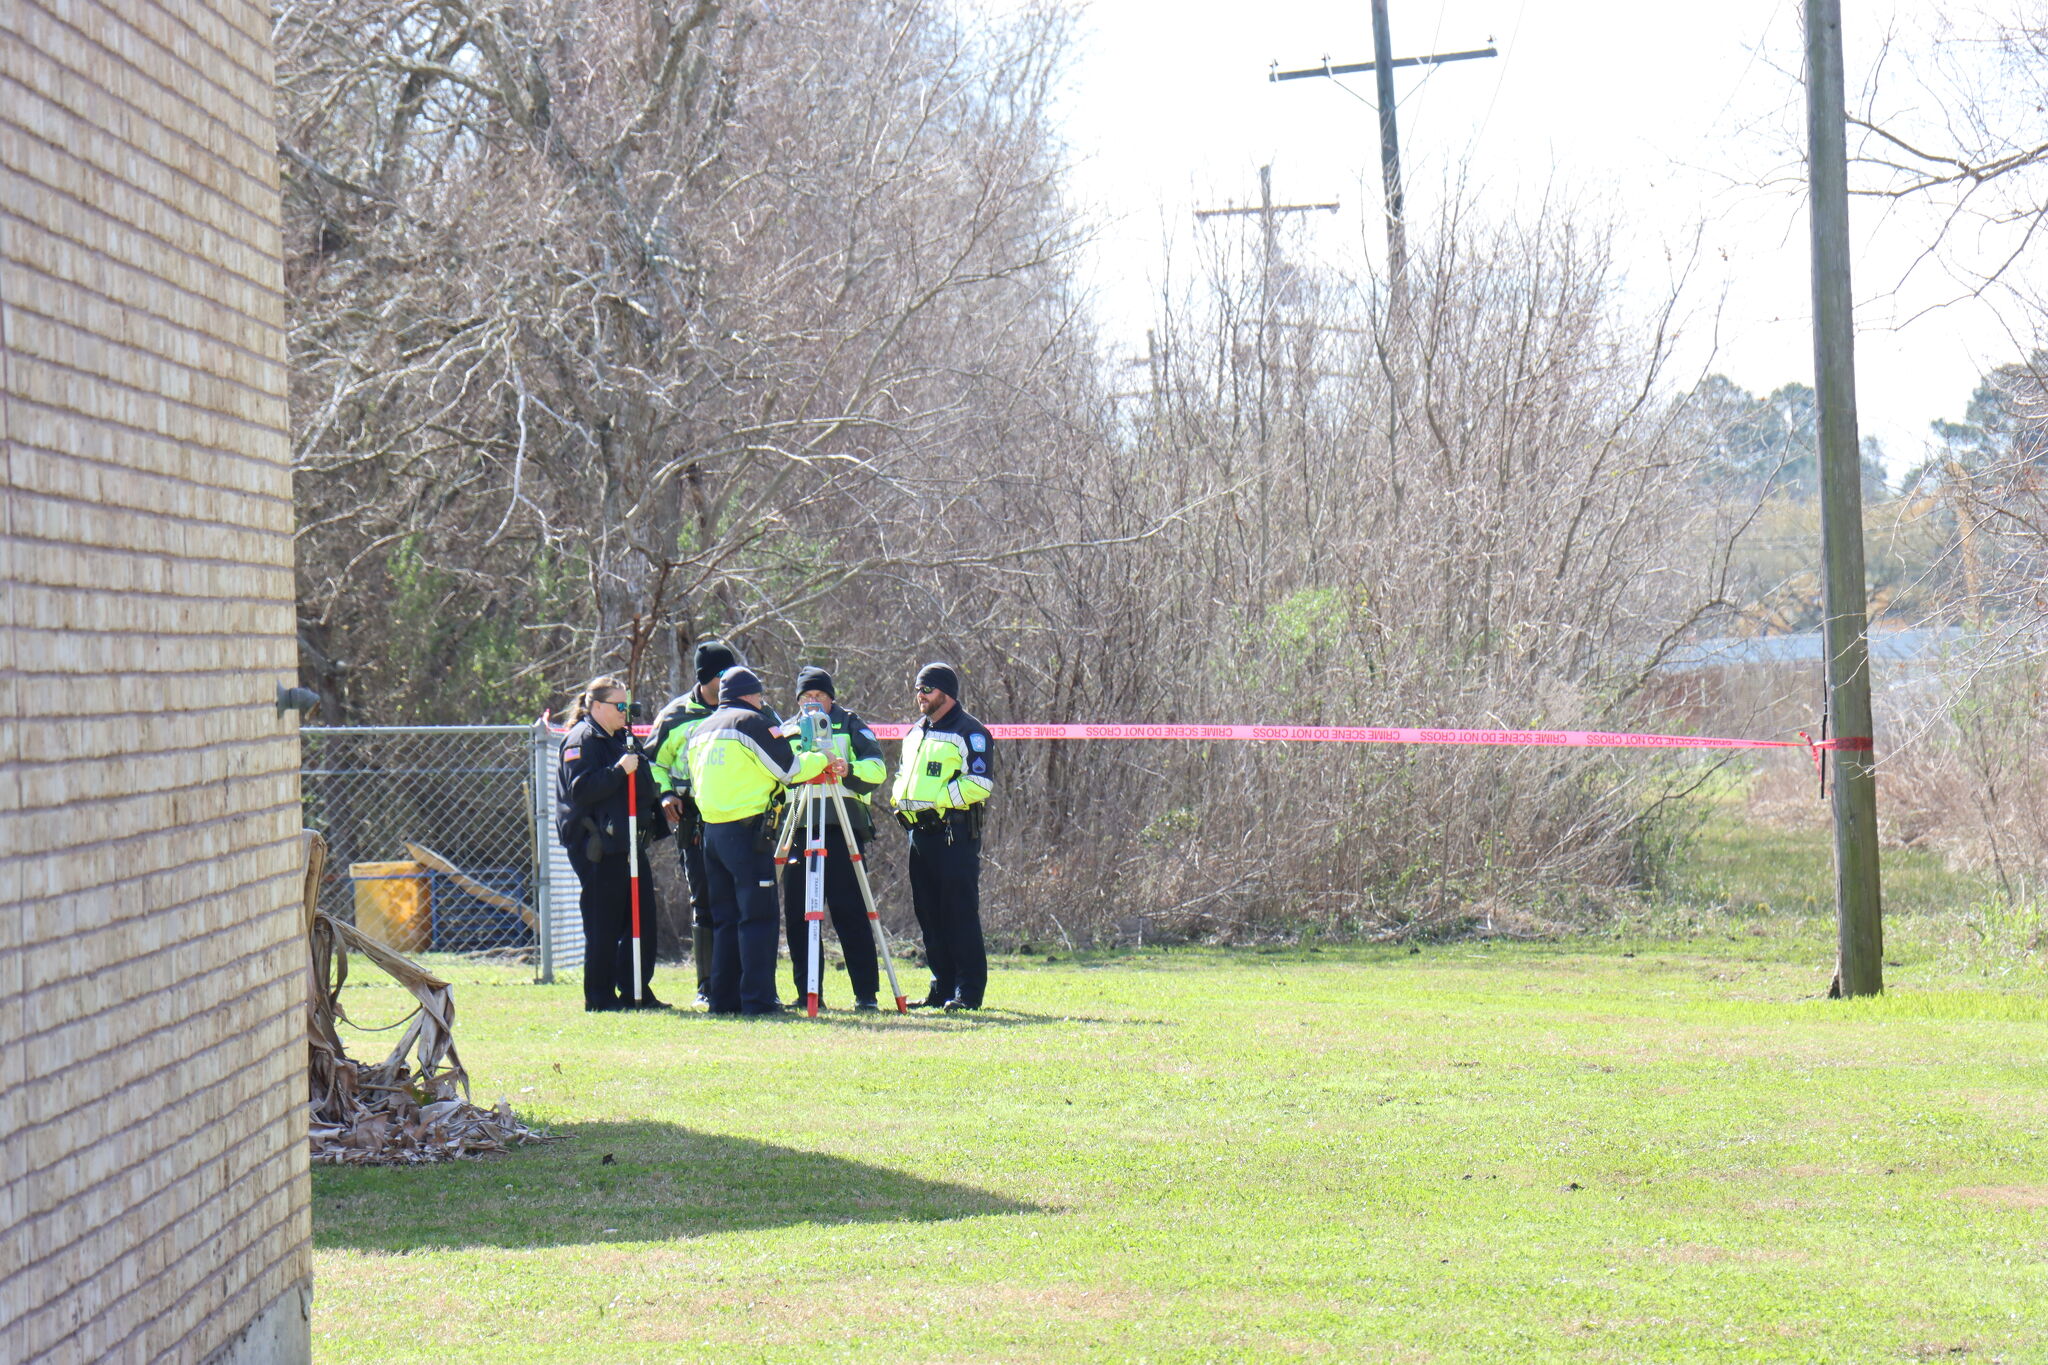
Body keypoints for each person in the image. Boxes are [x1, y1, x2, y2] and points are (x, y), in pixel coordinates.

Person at [687, 665, 844, 1015]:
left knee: (725, 920)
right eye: (759, 695)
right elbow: (788, 770)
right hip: (746, 832)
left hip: (711, 832)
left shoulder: (701, 728)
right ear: (750, 695)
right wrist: (822, 758)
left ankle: (723, 1000)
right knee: (757, 917)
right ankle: (758, 1000)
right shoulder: (752, 723)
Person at [554, 675, 670, 1012]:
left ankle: (636, 990)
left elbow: (643, 782)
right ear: (599, 706)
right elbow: (581, 790)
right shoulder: (582, 740)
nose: (626, 711)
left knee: (641, 920)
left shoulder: (623, 737)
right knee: (603, 922)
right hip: (597, 848)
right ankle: (600, 997)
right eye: (620, 706)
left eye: (627, 705)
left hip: (628, 843)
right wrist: (619, 770)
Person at [778, 666, 890, 1011]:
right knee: (799, 912)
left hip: (842, 826)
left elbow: (877, 768)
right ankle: (808, 992)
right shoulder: (787, 730)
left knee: (850, 910)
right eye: (806, 697)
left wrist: (848, 769)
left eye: (819, 697)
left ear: (831, 699)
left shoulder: (851, 724)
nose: (812, 704)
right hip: (799, 824)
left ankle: (866, 994)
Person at [889, 662, 994, 1011]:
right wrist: (900, 798)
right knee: (929, 914)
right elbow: (904, 773)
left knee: (958, 912)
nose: (919, 696)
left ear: (945, 694)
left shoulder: (970, 732)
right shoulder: (916, 731)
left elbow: (979, 783)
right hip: (918, 833)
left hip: (952, 834)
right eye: (918, 689)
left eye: (927, 689)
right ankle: (942, 986)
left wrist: (936, 801)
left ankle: (968, 991)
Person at [648, 640, 742, 1007]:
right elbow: (652, 761)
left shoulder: (750, 707)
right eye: (721, 675)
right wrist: (666, 794)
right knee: (705, 899)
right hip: (694, 819)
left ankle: (748, 984)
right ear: (705, 679)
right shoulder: (675, 716)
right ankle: (709, 987)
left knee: (745, 900)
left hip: (740, 815)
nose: (727, 681)